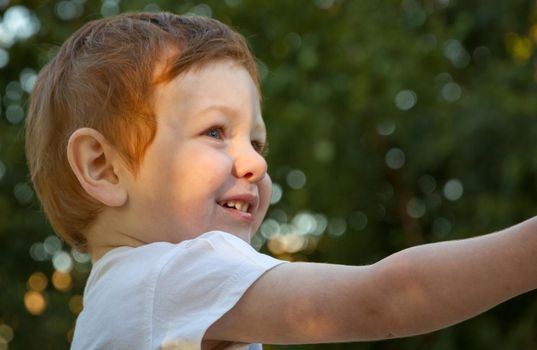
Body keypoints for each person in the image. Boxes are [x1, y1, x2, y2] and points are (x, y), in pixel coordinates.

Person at [25, 11, 537, 350]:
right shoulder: (173, 275)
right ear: (103, 167)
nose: (255, 164)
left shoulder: (121, 300)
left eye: (257, 143)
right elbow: (389, 297)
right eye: (216, 132)